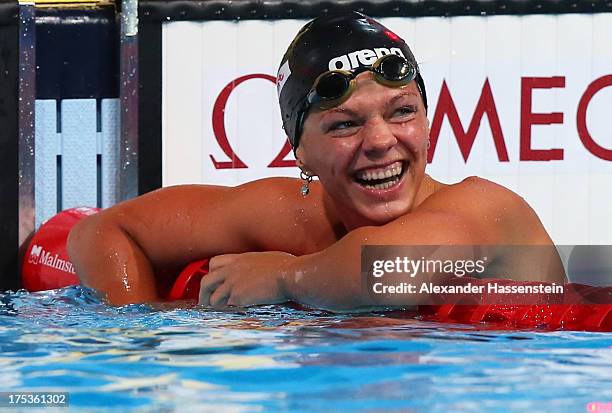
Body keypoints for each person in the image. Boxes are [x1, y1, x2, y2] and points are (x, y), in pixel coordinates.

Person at [67, 12, 566, 308]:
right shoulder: (292, 214)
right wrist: (134, 340)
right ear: (299, 151)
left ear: (429, 122)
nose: (380, 141)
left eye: (402, 113)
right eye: (345, 123)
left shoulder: (486, 210)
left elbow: (385, 268)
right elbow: (102, 232)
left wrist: (284, 276)